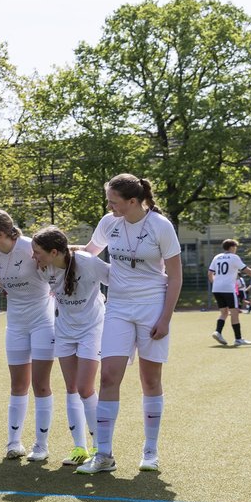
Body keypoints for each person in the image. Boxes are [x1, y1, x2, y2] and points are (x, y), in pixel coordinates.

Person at [76, 173, 182, 475]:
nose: (109, 206)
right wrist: (60, 253)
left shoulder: (161, 226)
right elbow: (89, 253)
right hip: (118, 307)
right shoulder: (109, 222)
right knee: (108, 377)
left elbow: (175, 276)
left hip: (152, 307)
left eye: (114, 201)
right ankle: (104, 455)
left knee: (150, 380)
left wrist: (165, 318)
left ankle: (150, 451)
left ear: (133, 201)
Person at [0, 209, 57, 462]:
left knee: (41, 385)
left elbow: (62, 256)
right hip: (15, 325)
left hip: (43, 323)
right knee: (18, 385)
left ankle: (41, 445)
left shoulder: (29, 248)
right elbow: (0, 280)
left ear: (1, 233)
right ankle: (14, 443)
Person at [31, 227, 111, 468]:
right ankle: (80, 448)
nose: (34, 257)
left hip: (91, 330)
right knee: (72, 388)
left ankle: (100, 447)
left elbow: (115, 280)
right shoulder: (44, 268)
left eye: (37, 252)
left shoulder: (88, 262)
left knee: (86, 387)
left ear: (54, 251)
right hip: (64, 332)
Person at [208, 239, 251, 347]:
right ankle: (238, 339)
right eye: (235, 247)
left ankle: (217, 332)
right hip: (228, 289)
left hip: (216, 289)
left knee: (224, 313)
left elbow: (210, 274)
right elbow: (248, 271)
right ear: (231, 247)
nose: (235, 249)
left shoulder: (216, 257)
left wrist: (216, 283)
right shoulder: (234, 257)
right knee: (234, 312)